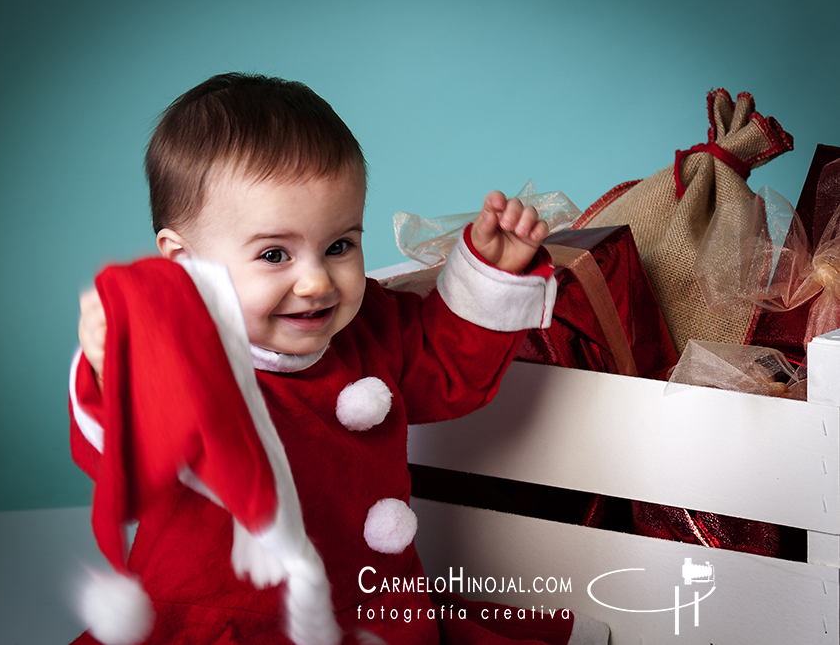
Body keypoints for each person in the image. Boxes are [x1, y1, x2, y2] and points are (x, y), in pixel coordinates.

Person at [69, 73, 603, 645]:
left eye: (340, 245)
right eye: (275, 254)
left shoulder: (368, 322)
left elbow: (447, 369)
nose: (316, 281)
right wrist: (114, 370)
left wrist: (492, 274)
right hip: (225, 618)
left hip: (366, 600)